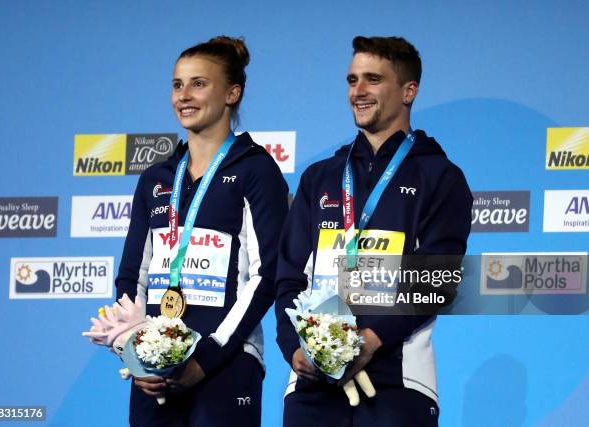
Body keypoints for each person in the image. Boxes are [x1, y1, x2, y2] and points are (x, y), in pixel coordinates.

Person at [275, 36, 472, 426]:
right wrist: (293, 348)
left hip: (398, 383)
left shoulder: (440, 176)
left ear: (408, 91)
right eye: (352, 80)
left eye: (372, 80)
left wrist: (371, 340)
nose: (358, 91)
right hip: (312, 385)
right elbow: (289, 275)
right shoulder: (321, 177)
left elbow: (439, 277)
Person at [115, 36, 289, 427]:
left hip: (225, 362)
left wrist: (205, 357)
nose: (184, 96)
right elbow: (132, 276)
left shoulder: (255, 170)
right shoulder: (156, 180)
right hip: (154, 370)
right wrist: (137, 351)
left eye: (198, 83)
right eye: (177, 84)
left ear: (232, 92)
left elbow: (267, 275)